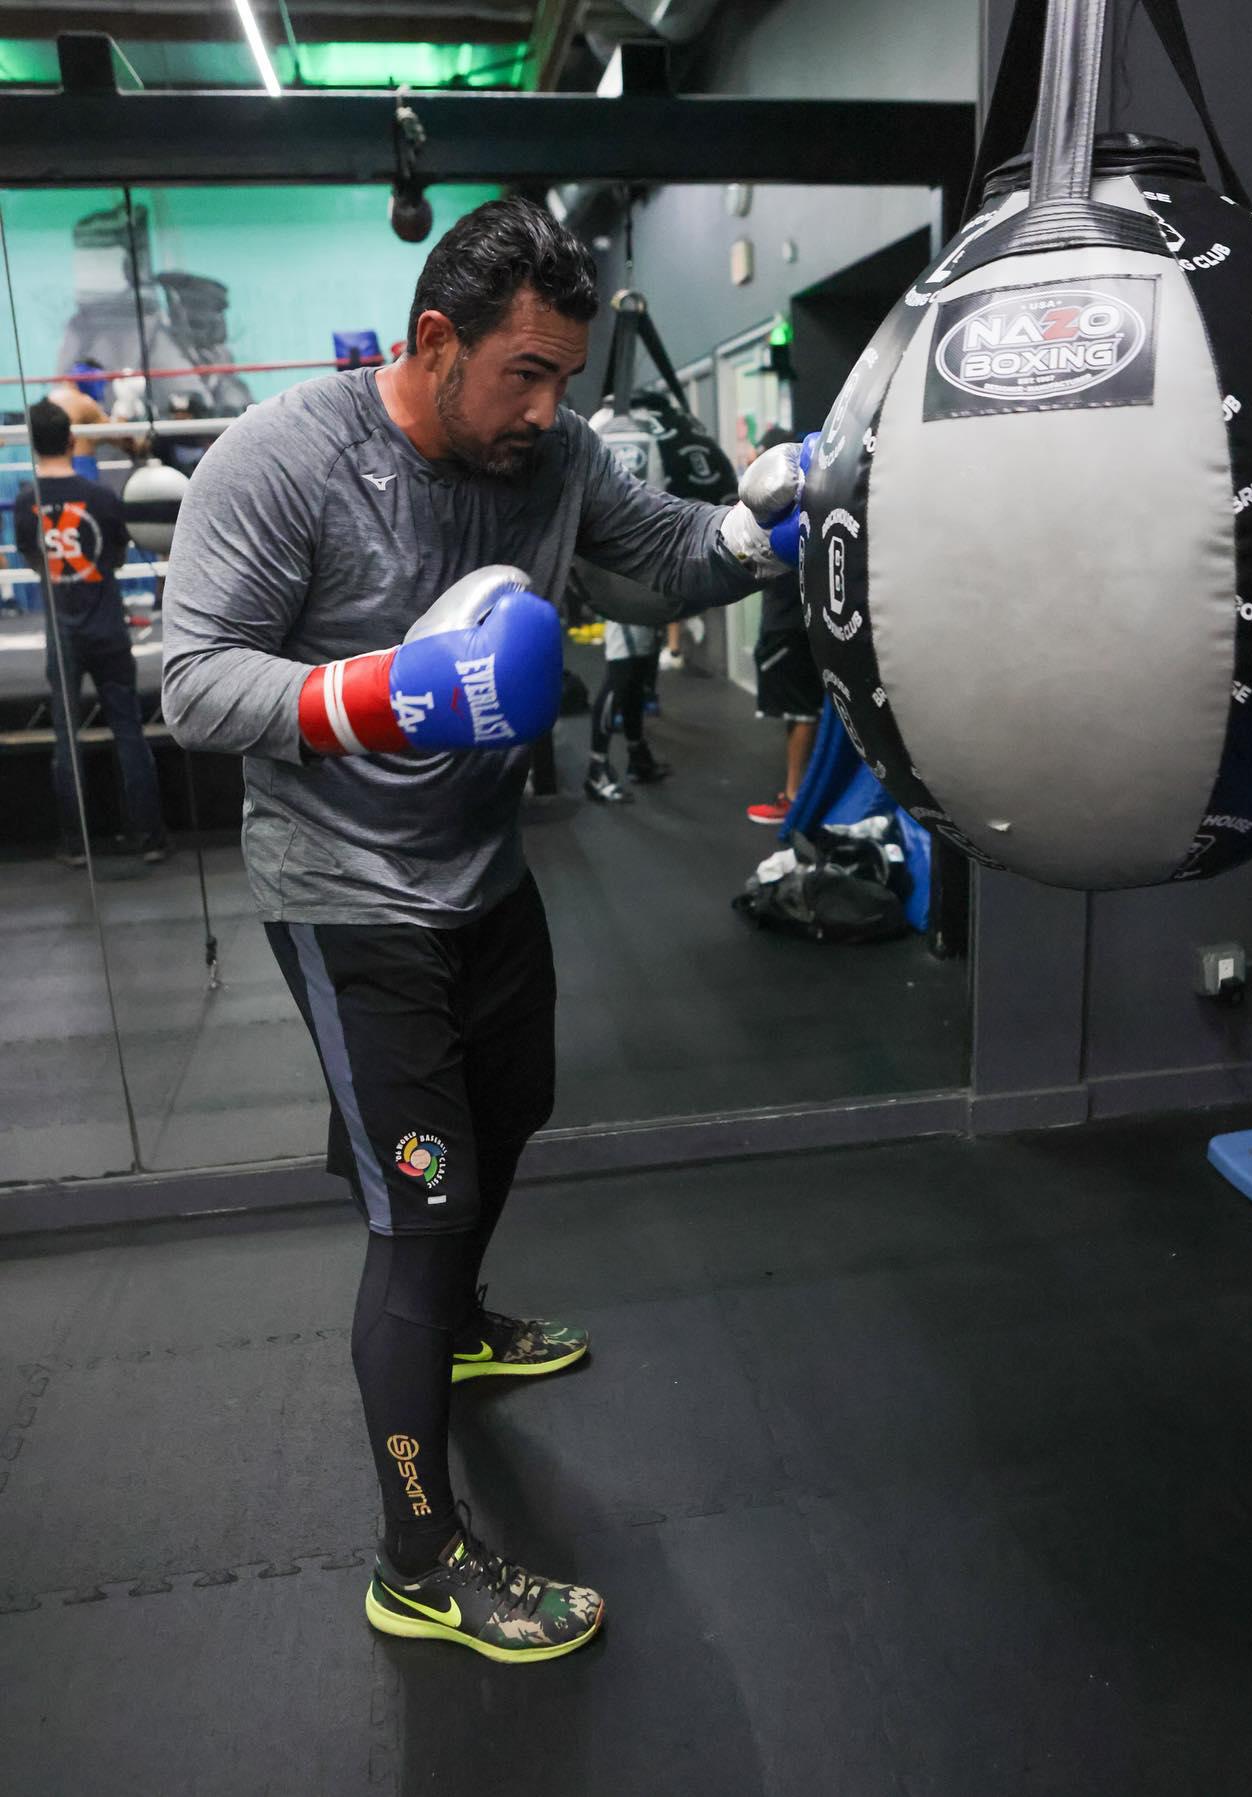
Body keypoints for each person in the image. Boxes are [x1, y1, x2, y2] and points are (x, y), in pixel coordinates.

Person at [161, 196, 801, 1667]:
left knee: (513, 1110)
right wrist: (374, 694)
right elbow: (192, 686)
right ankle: (419, 1556)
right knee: (422, 1205)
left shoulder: (556, 456)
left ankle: (456, 1316)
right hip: (343, 896)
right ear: (434, 342)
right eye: (524, 374)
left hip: (484, 877)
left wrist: (773, 514)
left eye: (567, 378)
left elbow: (675, 557)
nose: (549, 409)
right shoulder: (288, 462)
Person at [15, 399, 167, 866]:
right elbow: (117, 557)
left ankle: (75, 844)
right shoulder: (101, 498)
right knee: (128, 731)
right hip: (107, 628)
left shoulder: (26, 501)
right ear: (70, 439)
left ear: (32, 442)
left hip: (63, 635)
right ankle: (150, 839)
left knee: (66, 737)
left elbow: (34, 560)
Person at [746, 428, 824, 826]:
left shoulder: (803, 509)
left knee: (804, 712)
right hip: (787, 622)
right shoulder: (778, 509)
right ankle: (799, 793)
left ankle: (794, 797)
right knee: (798, 713)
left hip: (791, 625)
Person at [584, 616, 670, 803]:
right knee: (617, 685)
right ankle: (596, 771)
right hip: (623, 615)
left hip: (645, 615)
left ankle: (638, 758)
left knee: (635, 685)